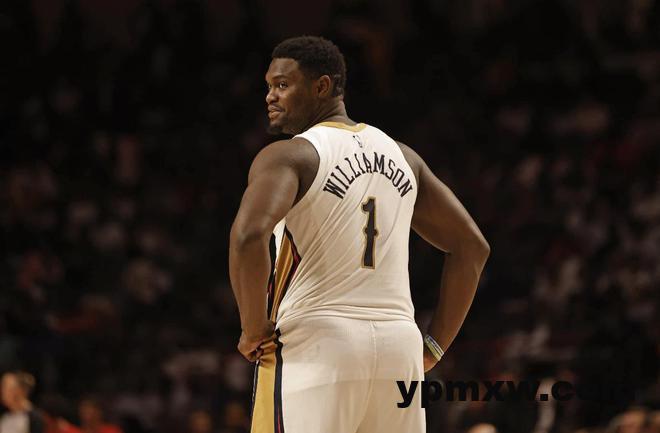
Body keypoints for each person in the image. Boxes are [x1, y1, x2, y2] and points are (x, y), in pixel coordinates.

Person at [229, 36, 490, 433]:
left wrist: (253, 328)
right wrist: (435, 345)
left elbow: (248, 236)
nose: (270, 96)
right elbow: (472, 246)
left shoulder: (291, 155)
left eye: (282, 85)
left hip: (317, 343)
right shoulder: (404, 157)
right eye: (268, 86)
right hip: (399, 346)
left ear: (322, 86)